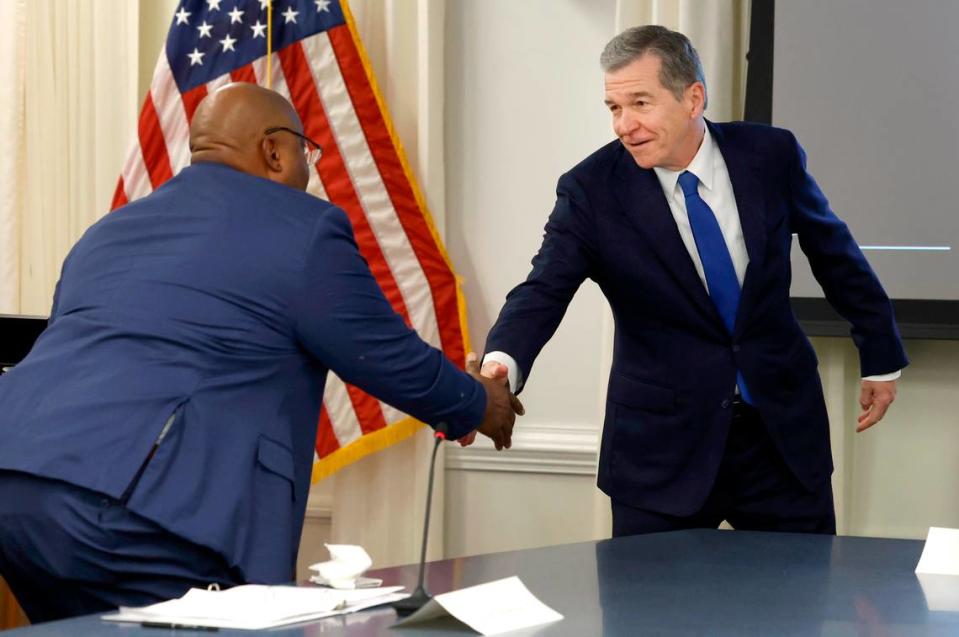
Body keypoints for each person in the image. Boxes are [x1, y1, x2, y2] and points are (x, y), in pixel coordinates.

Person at [0, 83, 517, 623]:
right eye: (304, 152)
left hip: (15, 486)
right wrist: (479, 402)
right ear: (274, 150)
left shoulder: (106, 232)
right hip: (144, 509)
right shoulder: (302, 226)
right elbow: (379, 353)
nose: (307, 170)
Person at [478, 26, 907, 537]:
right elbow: (542, 289)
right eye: (614, 108)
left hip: (781, 443)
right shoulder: (590, 190)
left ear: (692, 98)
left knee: (801, 609)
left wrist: (880, 355)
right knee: (648, 618)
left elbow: (836, 255)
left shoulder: (770, 156)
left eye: (640, 102)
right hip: (661, 454)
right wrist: (501, 363)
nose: (624, 124)